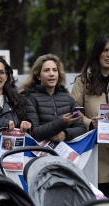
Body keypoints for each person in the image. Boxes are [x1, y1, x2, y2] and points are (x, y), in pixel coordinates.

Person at [71, 34, 109, 196]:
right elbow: (72, 110)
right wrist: (89, 122)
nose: (108, 55)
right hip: (96, 155)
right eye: (105, 50)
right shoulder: (84, 80)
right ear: (97, 53)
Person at [19, 54, 86, 142]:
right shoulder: (29, 98)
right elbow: (35, 133)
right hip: (41, 153)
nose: (51, 74)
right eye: (46, 70)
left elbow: (81, 129)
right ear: (38, 76)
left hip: (64, 153)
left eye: (55, 70)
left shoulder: (68, 98)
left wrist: (65, 134)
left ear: (58, 74)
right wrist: (61, 123)